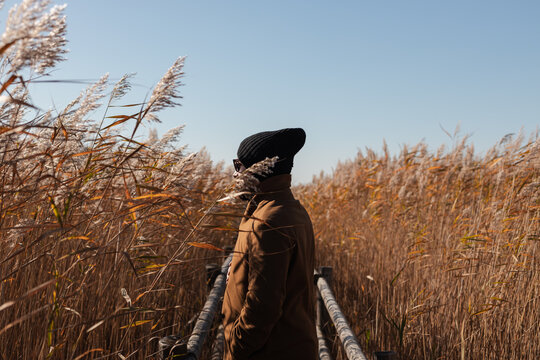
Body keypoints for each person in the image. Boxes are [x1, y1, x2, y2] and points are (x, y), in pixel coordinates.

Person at [222, 128, 317, 360]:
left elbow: (263, 307)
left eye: (239, 166)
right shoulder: (291, 209)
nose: (235, 174)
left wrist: (235, 348)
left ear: (259, 170)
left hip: (270, 352)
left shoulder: (267, 222)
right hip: (290, 346)